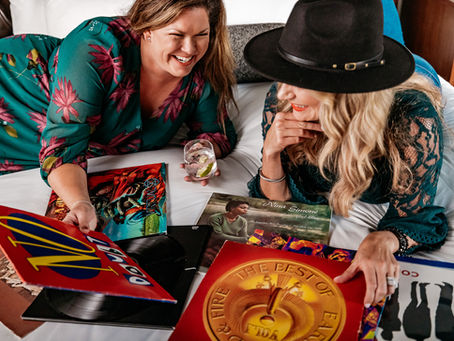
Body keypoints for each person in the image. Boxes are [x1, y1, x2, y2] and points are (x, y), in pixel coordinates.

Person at [244, 0, 448, 308]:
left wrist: (383, 238)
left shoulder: (413, 120)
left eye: (298, 81)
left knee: (380, 24)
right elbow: (279, 202)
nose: (282, 91)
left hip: (405, 76)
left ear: (339, 90)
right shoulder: (282, 99)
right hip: (362, 63)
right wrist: (270, 153)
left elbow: (416, 216)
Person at [0, 0, 237, 232]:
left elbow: (216, 133)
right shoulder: (96, 48)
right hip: (12, 87)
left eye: (201, 35)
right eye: (177, 35)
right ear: (147, 29)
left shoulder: (201, 69)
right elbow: (64, 148)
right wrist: (81, 203)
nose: (190, 49)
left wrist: (201, 155)